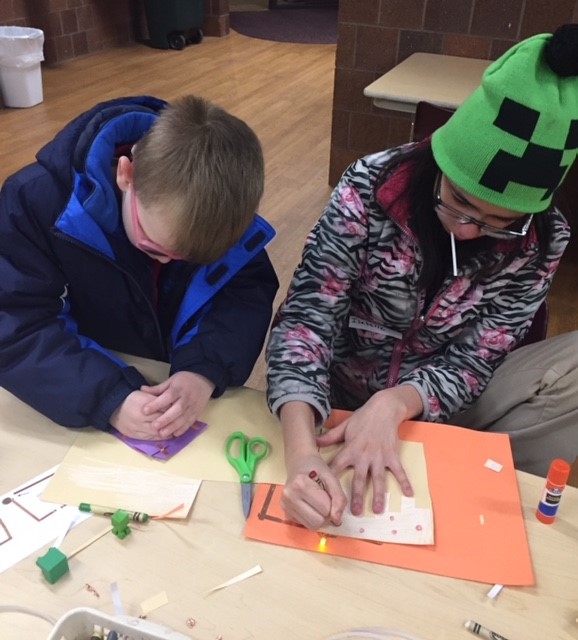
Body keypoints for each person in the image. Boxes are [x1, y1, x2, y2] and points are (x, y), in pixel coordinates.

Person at [266, 25, 578, 531]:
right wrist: (301, 454)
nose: (467, 229)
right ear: (440, 161)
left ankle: (486, 493)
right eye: (460, 202)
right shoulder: (368, 188)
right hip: (337, 398)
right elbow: (305, 322)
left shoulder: (545, 240)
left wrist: (394, 405)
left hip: (440, 408)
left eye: (501, 223)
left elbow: (477, 360)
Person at [0, 95, 279, 440]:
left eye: (193, 260)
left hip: (161, 378)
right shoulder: (34, 204)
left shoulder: (220, 208)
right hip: (78, 394)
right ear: (125, 174)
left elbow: (243, 293)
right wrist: (108, 397)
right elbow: (15, 327)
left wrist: (204, 369)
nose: (167, 263)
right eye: (154, 248)